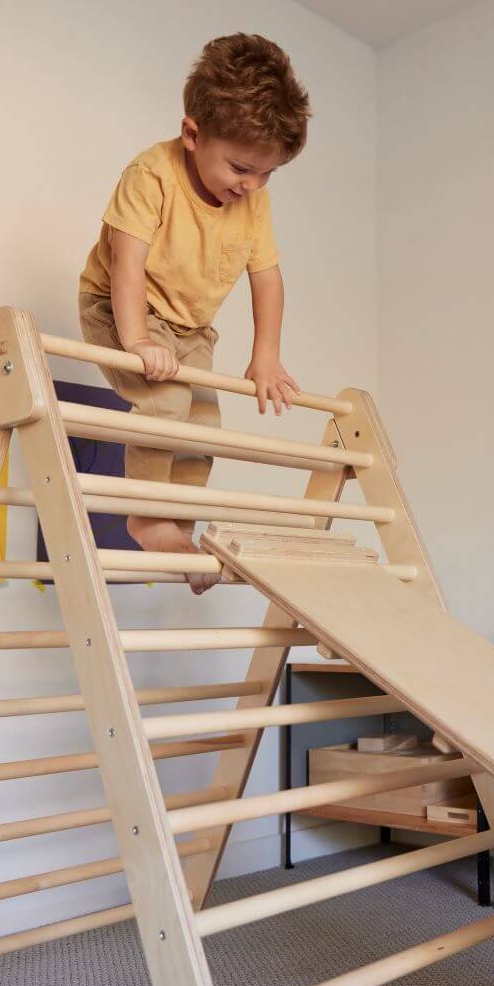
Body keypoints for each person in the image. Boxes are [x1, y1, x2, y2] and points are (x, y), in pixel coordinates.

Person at [78, 33, 310, 593]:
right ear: (192, 133)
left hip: (191, 328)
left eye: (266, 174)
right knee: (166, 404)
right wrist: (135, 340)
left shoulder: (253, 200)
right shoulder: (151, 174)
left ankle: (177, 527)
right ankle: (146, 516)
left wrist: (266, 357)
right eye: (240, 168)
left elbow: (269, 279)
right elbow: (125, 260)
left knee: (205, 429)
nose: (251, 185)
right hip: (121, 306)